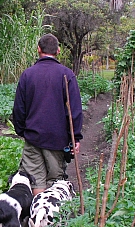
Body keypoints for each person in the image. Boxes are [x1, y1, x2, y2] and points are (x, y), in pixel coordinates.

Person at [12, 33, 83, 195]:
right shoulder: (67, 75)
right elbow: (74, 110)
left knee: (35, 179)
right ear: (58, 51)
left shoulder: (28, 75)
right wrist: (75, 137)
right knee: (55, 181)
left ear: (38, 49)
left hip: (33, 137)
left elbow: (19, 109)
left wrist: (22, 131)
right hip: (57, 140)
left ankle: (35, 216)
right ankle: (50, 216)